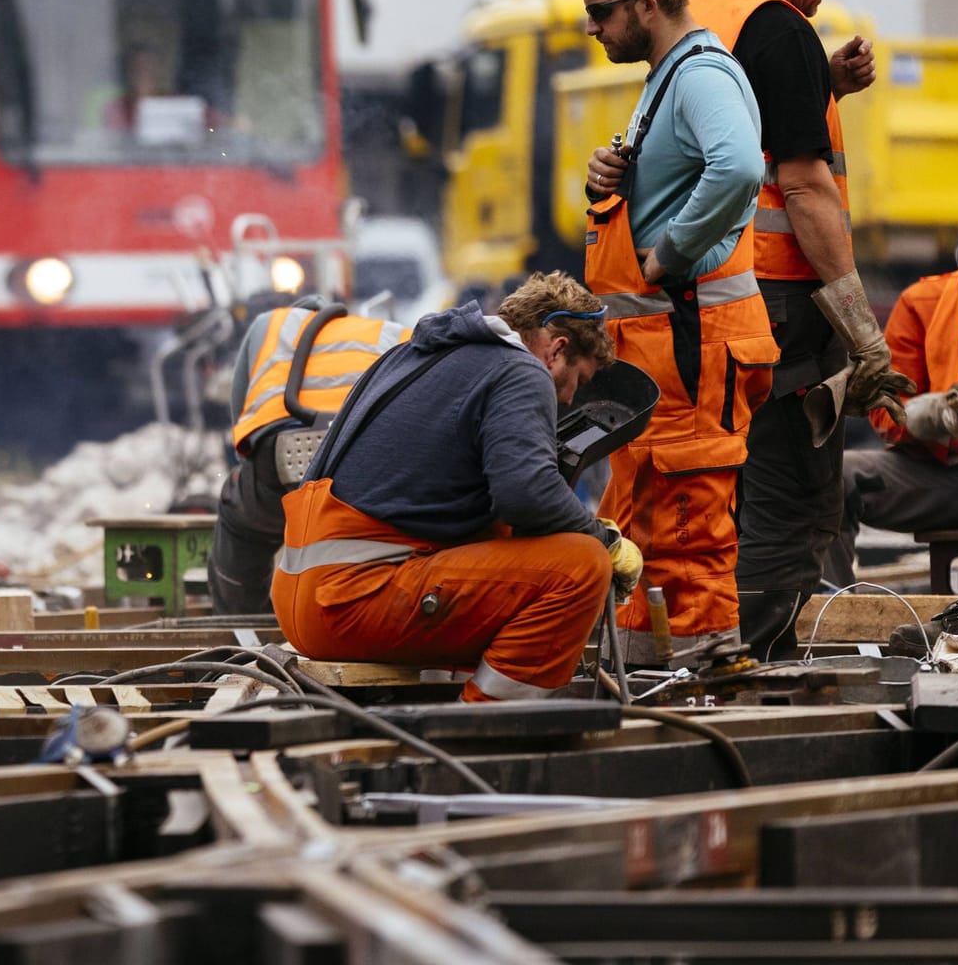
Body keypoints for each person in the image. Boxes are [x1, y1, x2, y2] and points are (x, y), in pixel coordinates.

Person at [688, 0, 913, 657]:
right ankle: (755, 666)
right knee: (794, 505)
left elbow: (737, 116)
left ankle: (713, 648)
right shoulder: (780, 30)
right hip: (779, 303)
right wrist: (862, 332)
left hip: (709, 298)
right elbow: (805, 186)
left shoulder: (709, 12)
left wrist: (823, 83)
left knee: (734, 492)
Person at [559, 0, 775, 665]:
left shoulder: (702, 74)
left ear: (647, 5)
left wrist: (672, 253)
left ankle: (704, 671)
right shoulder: (670, 74)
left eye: (603, 10)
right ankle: (654, 666)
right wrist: (608, 176)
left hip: (692, 341)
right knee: (648, 521)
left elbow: (740, 166)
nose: (592, 26)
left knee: (687, 521)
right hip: (663, 348)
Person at [272, 274, 643, 703]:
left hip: (302, 600)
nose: (569, 399)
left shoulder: (415, 358)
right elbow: (527, 494)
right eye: (577, 379)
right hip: (353, 599)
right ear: (557, 350)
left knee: (507, 541)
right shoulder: (523, 371)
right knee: (580, 567)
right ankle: (486, 727)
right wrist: (607, 542)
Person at [856, 196, 958, 633]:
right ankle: (830, 609)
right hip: (953, 480)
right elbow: (885, 412)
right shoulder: (921, 305)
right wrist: (931, 417)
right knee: (835, 478)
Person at [208, 301, 409, 613]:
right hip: (367, 459)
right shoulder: (398, 334)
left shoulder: (269, 325)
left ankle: (243, 632)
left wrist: (250, 478)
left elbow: (241, 417)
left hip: (279, 452)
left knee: (241, 524)